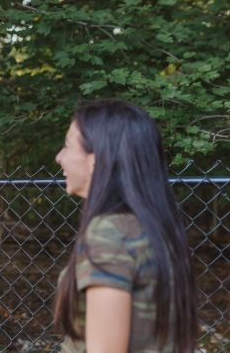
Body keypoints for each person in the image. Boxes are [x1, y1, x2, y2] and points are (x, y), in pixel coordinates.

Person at [53, 100, 197, 353]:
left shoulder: (109, 232)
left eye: (67, 146)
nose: (59, 157)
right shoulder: (152, 225)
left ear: (95, 160)